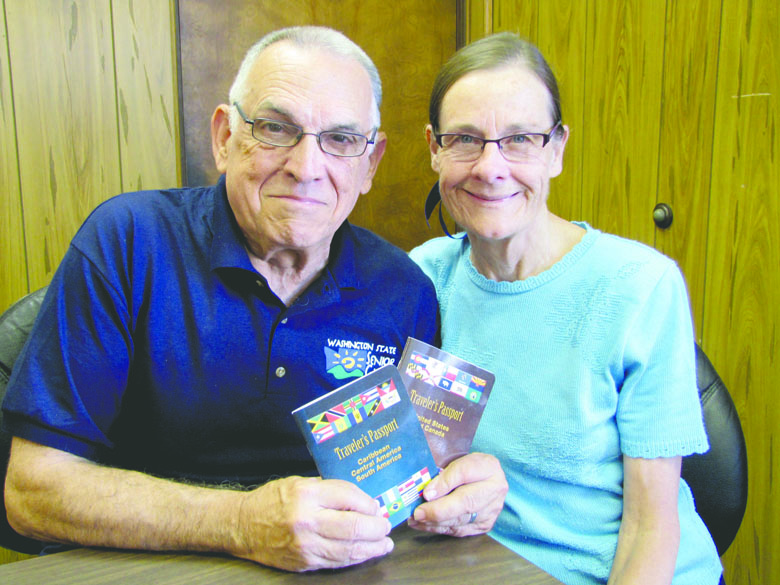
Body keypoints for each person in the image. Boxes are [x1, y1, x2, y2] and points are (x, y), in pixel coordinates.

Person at [1, 26, 507, 572]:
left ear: (370, 162)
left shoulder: (403, 290)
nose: (307, 166)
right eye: (274, 128)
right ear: (224, 137)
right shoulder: (129, 241)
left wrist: (461, 495)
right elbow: (34, 492)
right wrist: (242, 523)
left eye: (340, 139)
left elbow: (411, 483)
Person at [409, 32, 723, 585]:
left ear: (556, 148)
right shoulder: (422, 277)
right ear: (434, 147)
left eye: (520, 139)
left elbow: (652, 527)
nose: (490, 166)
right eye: (465, 139)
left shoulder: (638, 286)